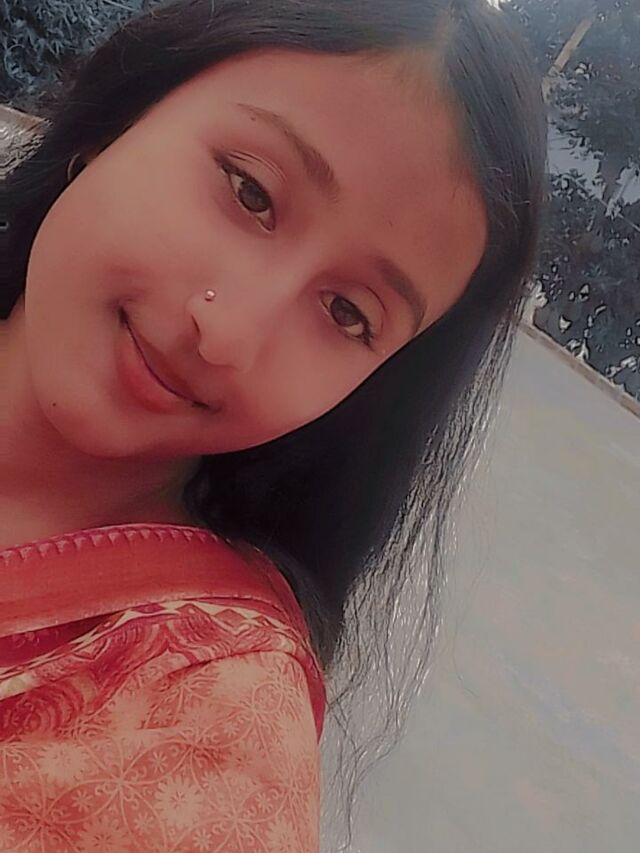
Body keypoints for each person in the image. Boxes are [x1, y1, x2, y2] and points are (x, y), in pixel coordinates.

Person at [0, 0, 547, 849]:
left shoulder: (208, 726)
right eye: (250, 191)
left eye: (347, 313)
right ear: (126, 112)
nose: (227, 334)